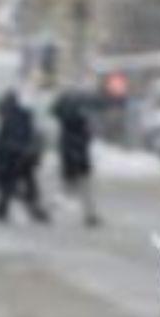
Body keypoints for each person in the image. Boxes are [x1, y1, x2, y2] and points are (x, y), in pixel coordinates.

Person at [0, 91, 49, 223]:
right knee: (25, 184)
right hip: (25, 156)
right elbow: (31, 133)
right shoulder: (25, 114)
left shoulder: (9, 117)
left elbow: (3, 138)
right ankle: (30, 210)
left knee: (9, 184)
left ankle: (4, 209)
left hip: (13, 156)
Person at [53, 94, 100, 227]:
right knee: (81, 188)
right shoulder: (79, 123)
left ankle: (88, 214)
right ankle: (89, 214)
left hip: (71, 159)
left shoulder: (65, 125)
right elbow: (86, 139)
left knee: (69, 187)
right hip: (79, 159)